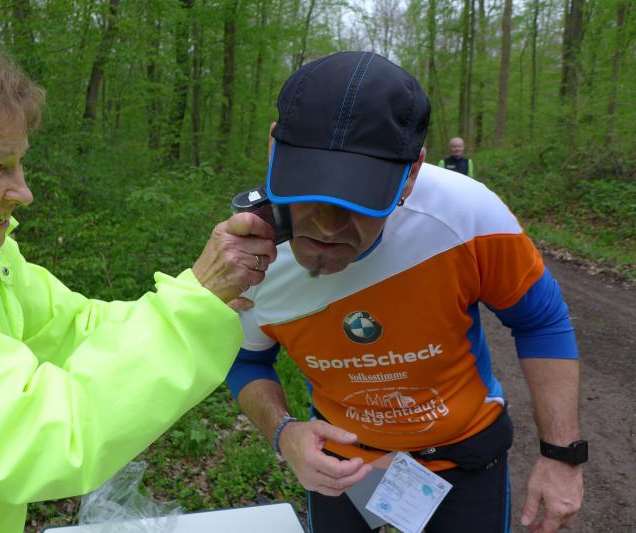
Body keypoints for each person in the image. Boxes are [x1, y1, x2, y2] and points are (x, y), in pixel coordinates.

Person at [0, 28, 277, 532]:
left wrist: (197, 295)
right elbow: (49, 434)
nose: (23, 191)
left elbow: (74, 327)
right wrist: (192, 309)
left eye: (19, 161)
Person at [226, 52, 584, 533]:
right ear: (274, 148)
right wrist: (284, 433)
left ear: (412, 172)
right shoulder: (248, 256)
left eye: (360, 199)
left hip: (464, 457)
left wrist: (562, 455)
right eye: (309, 190)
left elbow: (540, 320)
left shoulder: (468, 215)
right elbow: (246, 361)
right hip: (342, 464)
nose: (328, 227)